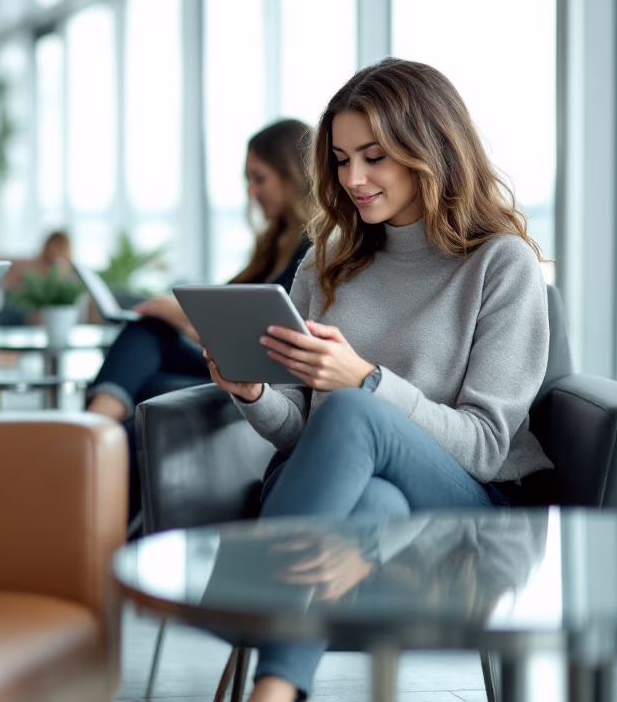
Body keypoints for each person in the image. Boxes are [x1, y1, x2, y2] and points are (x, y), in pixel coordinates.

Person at [202, 59, 551, 702]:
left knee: (352, 413)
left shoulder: (502, 265)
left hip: (466, 503)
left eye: (374, 156)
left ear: (431, 149)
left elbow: (483, 447)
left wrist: (365, 381)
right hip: (350, 498)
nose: (353, 179)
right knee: (373, 502)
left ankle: (258, 633)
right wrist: (253, 394)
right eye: (339, 159)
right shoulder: (327, 259)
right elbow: (304, 436)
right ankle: (274, 693)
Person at [85, 120, 313, 517]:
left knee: (153, 340)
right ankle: (90, 446)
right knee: (150, 340)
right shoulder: (273, 245)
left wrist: (179, 314)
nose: (251, 192)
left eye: (259, 179)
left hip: (264, 380)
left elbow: (259, 333)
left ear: (293, 177)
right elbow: (227, 311)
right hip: (233, 367)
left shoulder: (311, 250)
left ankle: (85, 437)